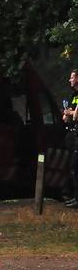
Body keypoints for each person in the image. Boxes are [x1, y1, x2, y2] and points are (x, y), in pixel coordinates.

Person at [63, 71, 78, 208]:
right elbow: (66, 117)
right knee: (72, 167)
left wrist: (70, 113)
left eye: (72, 77)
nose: (70, 80)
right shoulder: (73, 95)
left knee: (75, 166)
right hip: (72, 133)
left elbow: (74, 116)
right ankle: (74, 196)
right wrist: (68, 113)